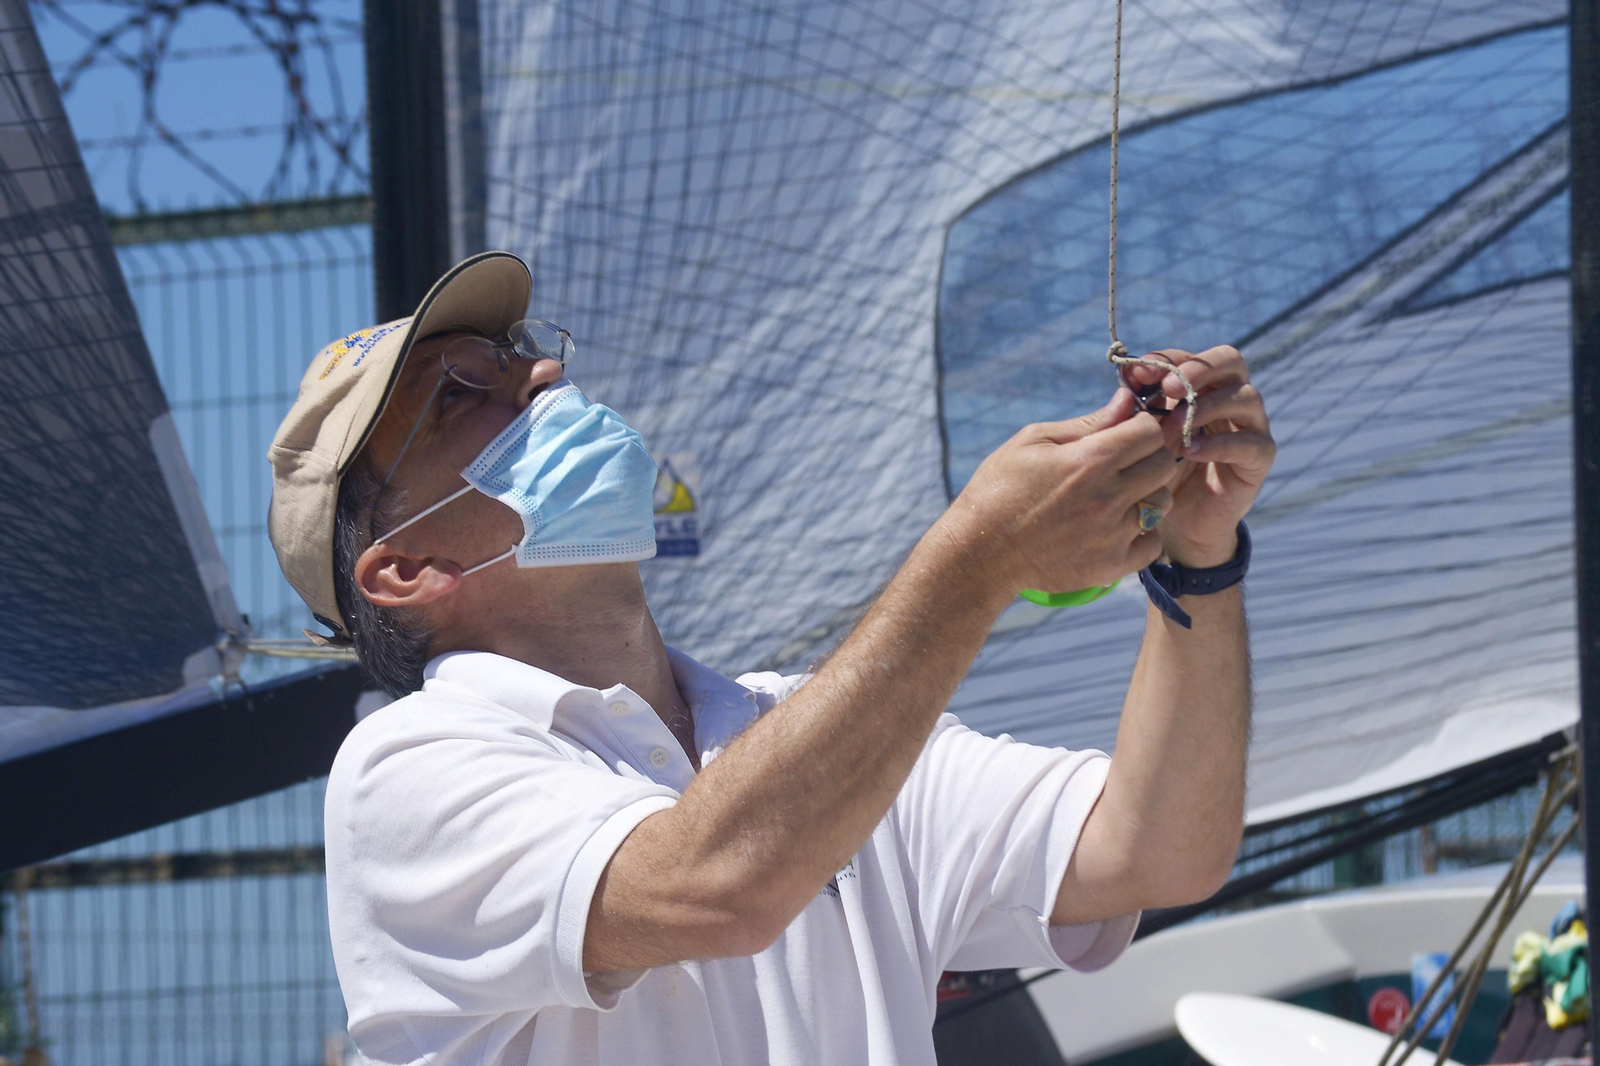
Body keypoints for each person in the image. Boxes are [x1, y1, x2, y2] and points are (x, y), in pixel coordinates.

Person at [267, 251, 1275, 1065]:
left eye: (518, 349)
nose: (544, 374)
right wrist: (980, 557)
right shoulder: (405, 768)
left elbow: (1157, 852)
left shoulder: (795, 727)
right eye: (460, 393)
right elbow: (718, 884)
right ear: (407, 568)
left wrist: (1200, 562)